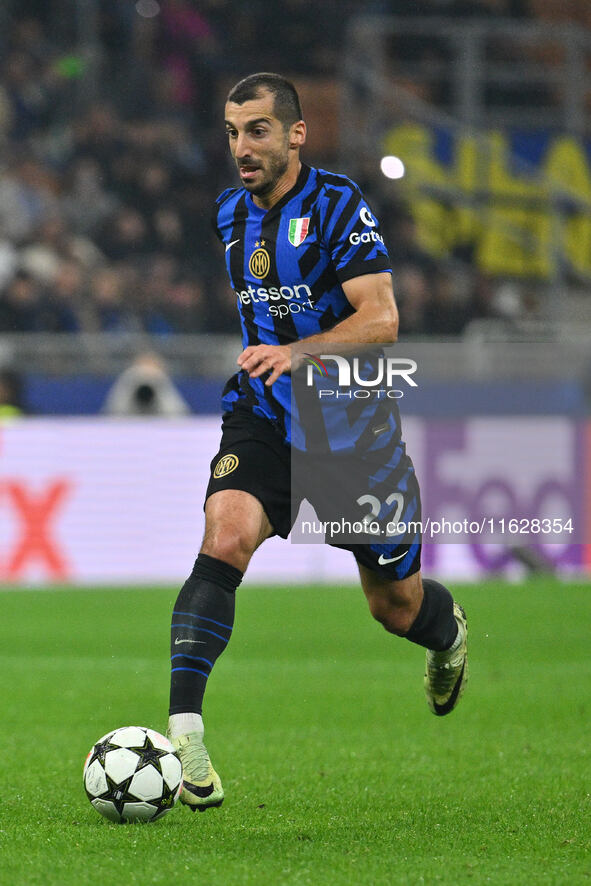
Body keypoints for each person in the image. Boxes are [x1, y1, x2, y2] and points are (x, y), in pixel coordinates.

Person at [166, 73, 468, 811]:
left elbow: (382, 319)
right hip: (263, 414)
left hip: (350, 434)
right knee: (225, 534)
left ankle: (447, 635)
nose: (242, 147)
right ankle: (185, 735)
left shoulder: (337, 206)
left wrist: (299, 353)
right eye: (233, 131)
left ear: (295, 134)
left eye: (258, 130)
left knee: (394, 605)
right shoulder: (228, 214)